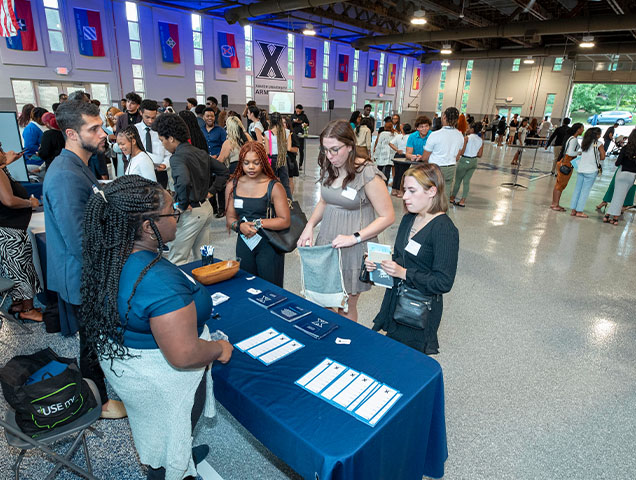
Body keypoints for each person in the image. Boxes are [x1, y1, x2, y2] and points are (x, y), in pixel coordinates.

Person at [81, 176, 233, 480]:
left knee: (161, 431)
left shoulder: (112, 255)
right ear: (149, 227)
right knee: (171, 437)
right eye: (171, 212)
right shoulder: (158, 281)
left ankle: (179, 455)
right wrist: (219, 349)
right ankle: (172, 468)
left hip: (132, 370)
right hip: (165, 383)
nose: (177, 215)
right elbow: (184, 354)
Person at [43, 100, 125, 419]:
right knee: (91, 341)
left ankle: (98, 392)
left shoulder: (80, 165)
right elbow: (80, 241)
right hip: (82, 275)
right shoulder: (65, 175)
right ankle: (99, 401)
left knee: (95, 337)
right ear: (71, 134)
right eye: (94, 129)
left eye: (101, 126)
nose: (103, 133)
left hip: (89, 272)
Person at [297, 120, 395, 323]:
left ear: (350, 146)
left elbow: (388, 216)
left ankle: (346, 346)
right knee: (324, 299)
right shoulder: (329, 165)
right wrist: (309, 226)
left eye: (335, 150)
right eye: (325, 150)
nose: (330, 156)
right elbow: (325, 200)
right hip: (329, 242)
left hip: (354, 246)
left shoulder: (366, 172)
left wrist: (354, 238)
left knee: (346, 305)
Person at [370, 163, 458, 355]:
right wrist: (377, 264)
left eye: (412, 191)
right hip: (396, 304)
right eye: (404, 190)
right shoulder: (410, 219)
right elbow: (401, 258)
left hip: (418, 311)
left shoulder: (444, 230)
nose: (405, 197)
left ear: (432, 191)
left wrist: (404, 273)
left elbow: (443, 282)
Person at [225, 142, 291, 287]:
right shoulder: (232, 185)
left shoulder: (274, 186)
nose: (251, 167)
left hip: (268, 245)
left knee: (271, 290)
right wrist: (238, 226)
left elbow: (285, 220)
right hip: (244, 242)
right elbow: (230, 217)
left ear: (264, 162)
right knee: (245, 286)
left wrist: (257, 223)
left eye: (256, 162)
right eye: (246, 163)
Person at [152, 113, 215, 265]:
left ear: (171, 138)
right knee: (204, 258)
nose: (162, 144)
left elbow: (184, 181)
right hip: (205, 208)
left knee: (178, 259)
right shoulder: (199, 152)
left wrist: (181, 204)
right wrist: (211, 191)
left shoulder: (177, 157)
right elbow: (223, 172)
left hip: (191, 211)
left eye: (162, 140)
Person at [0, 144, 42, 322]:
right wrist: (29, 202)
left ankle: (18, 303)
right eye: (1, 151)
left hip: (10, 228)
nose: (5, 153)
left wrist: (6, 162)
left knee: (16, 268)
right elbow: (8, 200)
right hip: (10, 230)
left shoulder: (2, 170)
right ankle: (28, 309)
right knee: (21, 270)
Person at [422, 107, 464, 195]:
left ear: (444, 117)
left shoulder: (435, 135)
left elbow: (425, 157)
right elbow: (457, 157)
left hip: (435, 168)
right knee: (445, 195)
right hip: (451, 168)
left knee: (433, 195)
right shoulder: (460, 135)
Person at [569, 127, 604, 218]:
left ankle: (573, 210)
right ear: (596, 135)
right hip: (591, 170)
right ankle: (579, 211)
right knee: (585, 191)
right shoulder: (599, 144)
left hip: (581, 169)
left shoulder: (584, 143)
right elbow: (603, 156)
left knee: (577, 189)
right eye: (600, 134)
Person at [135, 99, 170, 189]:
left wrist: (165, 164)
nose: (150, 121)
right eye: (147, 117)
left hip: (159, 173)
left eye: (153, 118)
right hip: (140, 173)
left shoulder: (161, 130)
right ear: (140, 113)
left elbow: (169, 153)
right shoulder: (134, 130)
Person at [604, 129, 636, 225]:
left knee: (616, 195)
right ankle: (615, 218)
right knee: (621, 197)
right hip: (632, 176)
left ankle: (608, 215)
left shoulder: (625, 148)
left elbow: (617, 163)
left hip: (621, 173)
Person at [551, 122, 584, 212]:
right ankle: (555, 204)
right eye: (582, 128)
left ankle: (555, 203)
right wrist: (579, 153)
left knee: (559, 184)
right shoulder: (573, 140)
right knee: (560, 185)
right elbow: (570, 153)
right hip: (567, 163)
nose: (583, 130)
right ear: (578, 129)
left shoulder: (570, 138)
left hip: (564, 162)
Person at [451, 122, 484, 207]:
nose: (467, 129)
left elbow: (462, 151)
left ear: (472, 129)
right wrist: (473, 152)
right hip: (474, 161)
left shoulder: (467, 138)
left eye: (468, 128)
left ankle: (452, 197)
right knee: (466, 182)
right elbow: (480, 154)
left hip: (464, 160)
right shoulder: (481, 140)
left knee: (458, 180)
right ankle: (462, 200)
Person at [264, 112, 292, 199]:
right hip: (283, 159)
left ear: (271, 121)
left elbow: (267, 151)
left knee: (271, 182)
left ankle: (271, 201)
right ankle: (288, 201)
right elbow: (289, 148)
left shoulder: (267, 133)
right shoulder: (287, 132)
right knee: (285, 183)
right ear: (280, 120)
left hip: (272, 159)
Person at [390, 123, 412, 197]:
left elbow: (390, 143)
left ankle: (394, 190)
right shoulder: (410, 137)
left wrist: (397, 150)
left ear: (402, 129)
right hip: (406, 157)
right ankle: (400, 191)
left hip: (397, 155)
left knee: (396, 173)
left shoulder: (398, 136)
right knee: (403, 174)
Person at [373, 119, 395, 184]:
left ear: (385, 127)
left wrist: (375, 155)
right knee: (387, 171)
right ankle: (385, 184)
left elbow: (379, 145)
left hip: (382, 155)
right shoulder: (394, 134)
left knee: (379, 170)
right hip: (390, 156)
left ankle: (378, 183)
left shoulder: (382, 134)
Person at [283, 116, 300, 194]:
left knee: (290, 180)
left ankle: (290, 198)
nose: (282, 125)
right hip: (281, 160)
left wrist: (287, 148)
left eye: (284, 123)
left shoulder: (292, 135)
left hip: (290, 160)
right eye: (281, 123)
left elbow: (296, 149)